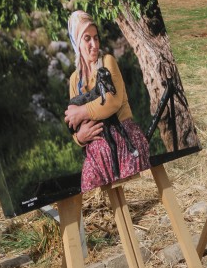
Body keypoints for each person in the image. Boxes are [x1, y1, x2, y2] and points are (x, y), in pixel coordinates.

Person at [64, 10, 151, 192]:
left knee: (135, 195)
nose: (94, 44)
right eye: (87, 39)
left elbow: (112, 102)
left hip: (124, 141)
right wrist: (80, 138)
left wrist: (82, 112)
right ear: (77, 42)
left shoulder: (107, 62)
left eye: (96, 38)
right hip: (96, 153)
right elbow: (73, 122)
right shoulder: (74, 80)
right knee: (92, 195)